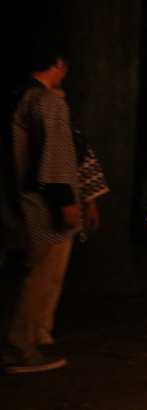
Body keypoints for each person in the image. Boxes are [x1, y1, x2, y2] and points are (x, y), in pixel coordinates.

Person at [3, 43, 98, 373]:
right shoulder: (46, 100)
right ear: (57, 63)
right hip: (40, 207)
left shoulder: (12, 97)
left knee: (15, 277)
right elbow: (56, 154)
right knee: (40, 278)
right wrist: (67, 202)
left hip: (10, 203)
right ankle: (19, 349)